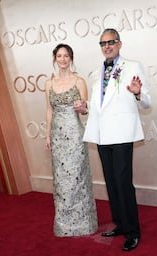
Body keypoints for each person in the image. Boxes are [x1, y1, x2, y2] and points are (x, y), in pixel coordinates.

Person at [83, 28, 151, 251]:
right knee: (111, 183)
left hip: (122, 133)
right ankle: (120, 224)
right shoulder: (95, 72)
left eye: (111, 42)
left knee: (123, 183)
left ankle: (133, 231)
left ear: (119, 44)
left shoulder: (133, 66)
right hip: (103, 135)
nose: (107, 46)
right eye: (103, 43)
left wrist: (138, 93)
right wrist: (85, 108)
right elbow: (98, 104)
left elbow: (147, 103)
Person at [45, 43, 98, 237]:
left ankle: (84, 224)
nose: (63, 59)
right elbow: (49, 110)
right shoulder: (49, 84)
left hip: (75, 134)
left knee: (78, 177)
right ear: (55, 59)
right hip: (58, 137)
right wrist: (48, 134)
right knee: (61, 180)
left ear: (71, 58)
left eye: (66, 56)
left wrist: (81, 107)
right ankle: (64, 225)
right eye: (59, 56)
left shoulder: (79, 82)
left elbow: (85, 110)